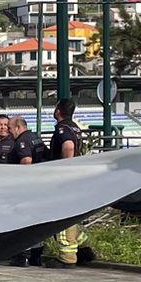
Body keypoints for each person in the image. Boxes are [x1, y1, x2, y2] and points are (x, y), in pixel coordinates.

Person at [48, 99, 88, 268]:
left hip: (65, 178)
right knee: (72, 215)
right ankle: (84, 248)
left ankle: (67, 257)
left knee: (62, 216)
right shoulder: (75, 126)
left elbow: (69, 147)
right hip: (75, 177)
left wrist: (64, 169)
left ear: (58, 111)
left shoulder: (62, 128)